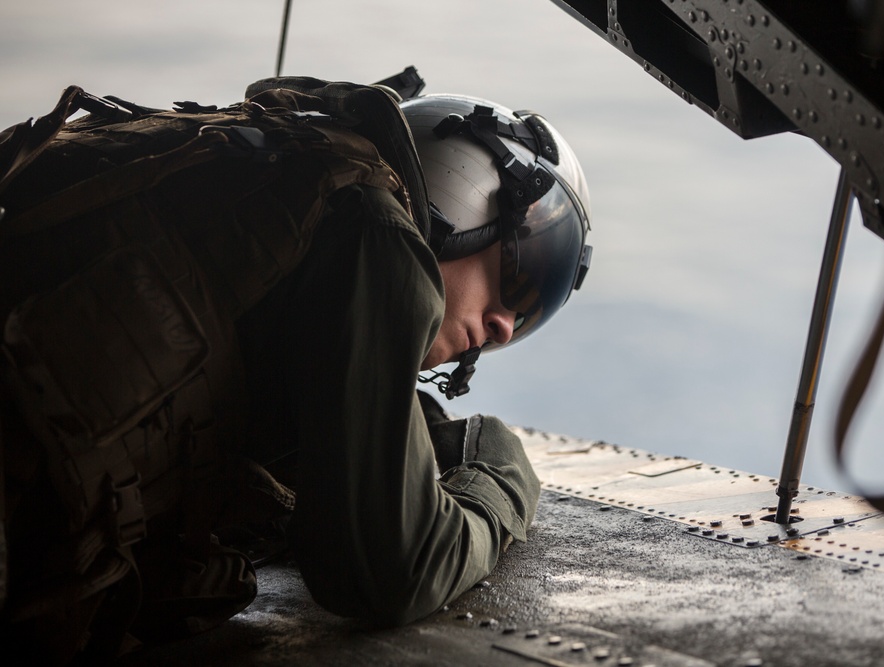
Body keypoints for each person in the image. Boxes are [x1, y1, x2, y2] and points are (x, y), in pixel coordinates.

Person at [0, 73, 592, 663]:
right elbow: (391, 569)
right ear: (460, 197)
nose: (506, 326)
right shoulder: (379, 238)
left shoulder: (280, 183)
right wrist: (498, 478)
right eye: (519, 276)